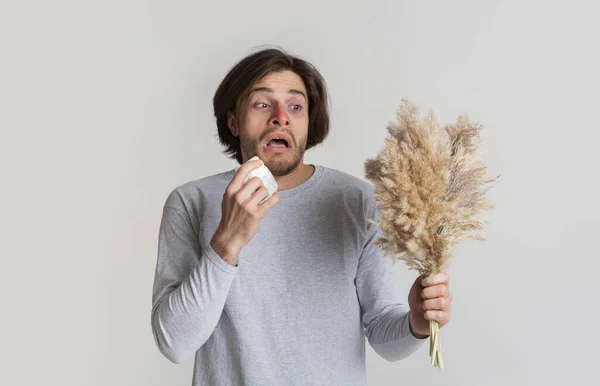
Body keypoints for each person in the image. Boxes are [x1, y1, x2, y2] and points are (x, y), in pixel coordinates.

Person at [150, 46, 452, 385]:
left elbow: (385, 335)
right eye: (262, 104)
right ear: (233, 121)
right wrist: (227, 243)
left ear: (309, 123)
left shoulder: (357, 201)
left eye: (296, 106)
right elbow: (174, 343)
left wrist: (417, 322)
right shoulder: (191, 202)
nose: (281, 116)